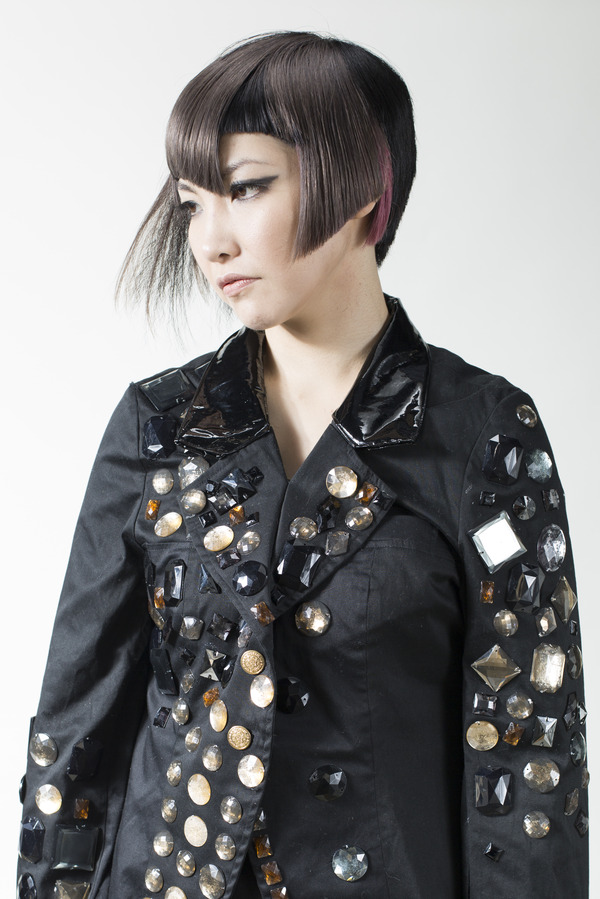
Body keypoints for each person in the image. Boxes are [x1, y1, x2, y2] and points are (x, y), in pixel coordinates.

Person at [17, 31, 588, 899]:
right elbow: (74, 734)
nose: (211, 240)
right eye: (191, 204)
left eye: (246, 188)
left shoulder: (483, 434)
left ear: (362, 186)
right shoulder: (156, 427)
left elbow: (530, 761)